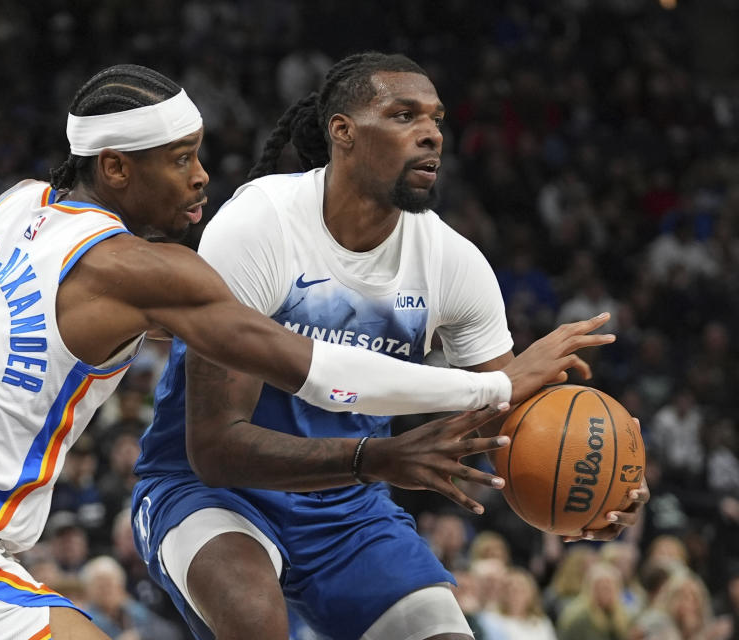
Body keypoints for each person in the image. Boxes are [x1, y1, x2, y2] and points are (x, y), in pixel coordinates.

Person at [0, 63, 600, 640]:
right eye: (180, 160)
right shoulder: (146, 269)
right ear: (116, 168)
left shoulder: (18, 206)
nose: (202, 178)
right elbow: (315, 371)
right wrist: (489, 388)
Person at [131, 52, 649, 640]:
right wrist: (372, 460)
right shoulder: (259, 224)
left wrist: (596, 481)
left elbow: (511, 426)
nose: (430, 133)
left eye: (436, 119)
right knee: (254, 620)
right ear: (343, 132)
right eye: (404, 115)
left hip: (347, 507)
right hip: (210, 491)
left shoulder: (453, 264)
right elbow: (215, 447)